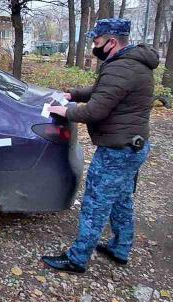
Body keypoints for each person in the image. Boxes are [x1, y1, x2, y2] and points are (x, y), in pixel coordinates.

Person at [41, 18, 159, 274]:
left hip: (117, 152)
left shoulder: (121, 68)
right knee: (121, 200)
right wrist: (74, 93)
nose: (94, 46)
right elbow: (102, 90)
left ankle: (77, 258)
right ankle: (120, 247)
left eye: (97, 42)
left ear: (112, 42)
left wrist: (63, 109)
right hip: (134, 147)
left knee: (95, 203)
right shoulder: (133, 63)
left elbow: (95, 111)